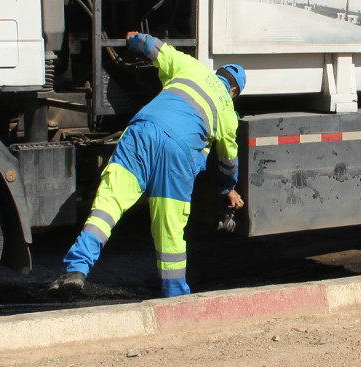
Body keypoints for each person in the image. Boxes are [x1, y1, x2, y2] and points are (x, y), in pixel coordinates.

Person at [52, 33, 245, 298]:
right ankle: (174, 294)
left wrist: (134, 38)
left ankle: (75, 270)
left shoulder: (191, 67)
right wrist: (227, 189)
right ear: (233, 91)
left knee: (108, 204)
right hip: (178, 153)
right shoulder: (227, 112)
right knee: (169, 227)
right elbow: (228, 162)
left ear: (218, 73)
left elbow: (157, 48)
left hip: (141, 131)